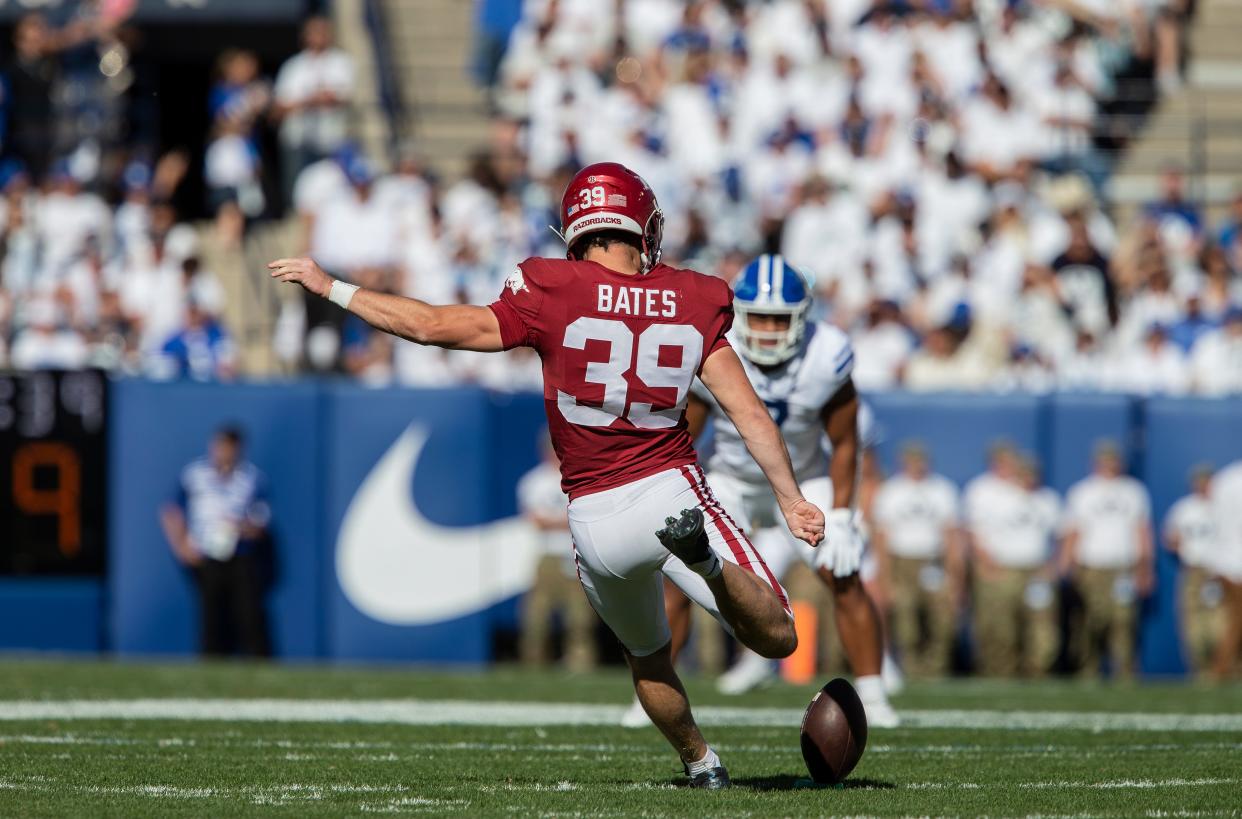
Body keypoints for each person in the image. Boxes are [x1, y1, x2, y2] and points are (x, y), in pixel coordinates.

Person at [270, 162, 825, 789]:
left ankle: (701, 762)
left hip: (592, 521)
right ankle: (708, 565)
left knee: (646, 655)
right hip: (669, 489)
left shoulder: (549, 285)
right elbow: (747, 413)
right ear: (640, 227)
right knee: (778, 636)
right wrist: (791, 498)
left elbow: (429, 326)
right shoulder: (693, 295)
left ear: (579, 230)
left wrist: (332, 287)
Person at [655, 254, 899, 727]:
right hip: (732, 480)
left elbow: (846, 441)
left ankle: (873, 693)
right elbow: (684, 434)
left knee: (843, 568)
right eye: (759, 317)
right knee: (679, 574)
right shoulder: (716, 343)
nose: (767, 329)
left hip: (805, 481)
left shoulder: (826, 354)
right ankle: (658, 688)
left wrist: (845, 515)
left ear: (803, 318)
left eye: (779, 318)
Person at [159, 426, 272, 657]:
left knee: (248, 613)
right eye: (219, 445)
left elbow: (261, 522)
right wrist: (181, 545)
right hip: (205, 556)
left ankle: (257, 661)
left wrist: (238, 527)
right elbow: (171, 511)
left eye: (228, 447)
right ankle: (211, 660)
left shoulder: (251, 478)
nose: (222, 451)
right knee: (211, 614)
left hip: (240, 555)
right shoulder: (194, 474)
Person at [1060, 442, 1154, 678]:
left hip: (1123, 566)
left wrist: (1145, 568)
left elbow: (1142, 530)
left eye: (1113, 459)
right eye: (1105, 459)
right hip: (1091, 567)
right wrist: (1067, 565)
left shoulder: (1134, 491)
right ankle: (1087, 671)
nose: (1110, 464)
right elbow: (1074, 532)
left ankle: (1124, 672)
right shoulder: (1082, 492)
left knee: (1123, 621)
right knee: (1090, 620)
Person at [872, 442, 961, 679]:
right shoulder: (891, 491)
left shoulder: (942, 489)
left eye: (921, 459)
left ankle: (935, 668)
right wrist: (886, 577)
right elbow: (881, 538)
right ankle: (910, 667)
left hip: (933, 561)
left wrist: (954, 575)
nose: (917, 465)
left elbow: (951, 535)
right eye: (912, 459)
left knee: (941, 617)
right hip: (902, 560)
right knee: (905, 616)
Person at [971, 455, 1060, 677]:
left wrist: (1054, 566)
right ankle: (1001, 674)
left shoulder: (1048, 499)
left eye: (1033, 474)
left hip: (1037, 572)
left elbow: (1064, 536)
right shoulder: (998, 500)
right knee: (1003, 628)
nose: (1029, 479)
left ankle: (1037, 672)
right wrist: (987, 564)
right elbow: (978, 534)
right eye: (1024, 474)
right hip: (1006, 569)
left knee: (1043, 630)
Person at [517, 436, 597, 673]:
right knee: (537, 615)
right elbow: (536, 521)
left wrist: (560, 522)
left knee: (579, 618)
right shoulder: (534, 481)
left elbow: (584, 519)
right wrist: (565, 522)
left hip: (575, 554)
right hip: (548, 555)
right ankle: (533, 663)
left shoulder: (580, 477)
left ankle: (580, 664)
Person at [1165, 465, 1224, 676]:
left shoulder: (1225, 506)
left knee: (1222, 626)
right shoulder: (1184, 509)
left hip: (1220, 573)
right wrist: (1183, 549)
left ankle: (1225, 670)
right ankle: (1201, 672)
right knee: (1193, 627)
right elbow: (1170, 539)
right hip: (1194, 571)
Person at [1209, 459, 1242, 679]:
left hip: (1225, 561)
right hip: (1236, 561)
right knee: (1236, 621)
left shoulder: (1224, 478)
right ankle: (1218, 671)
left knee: (1233, 619)